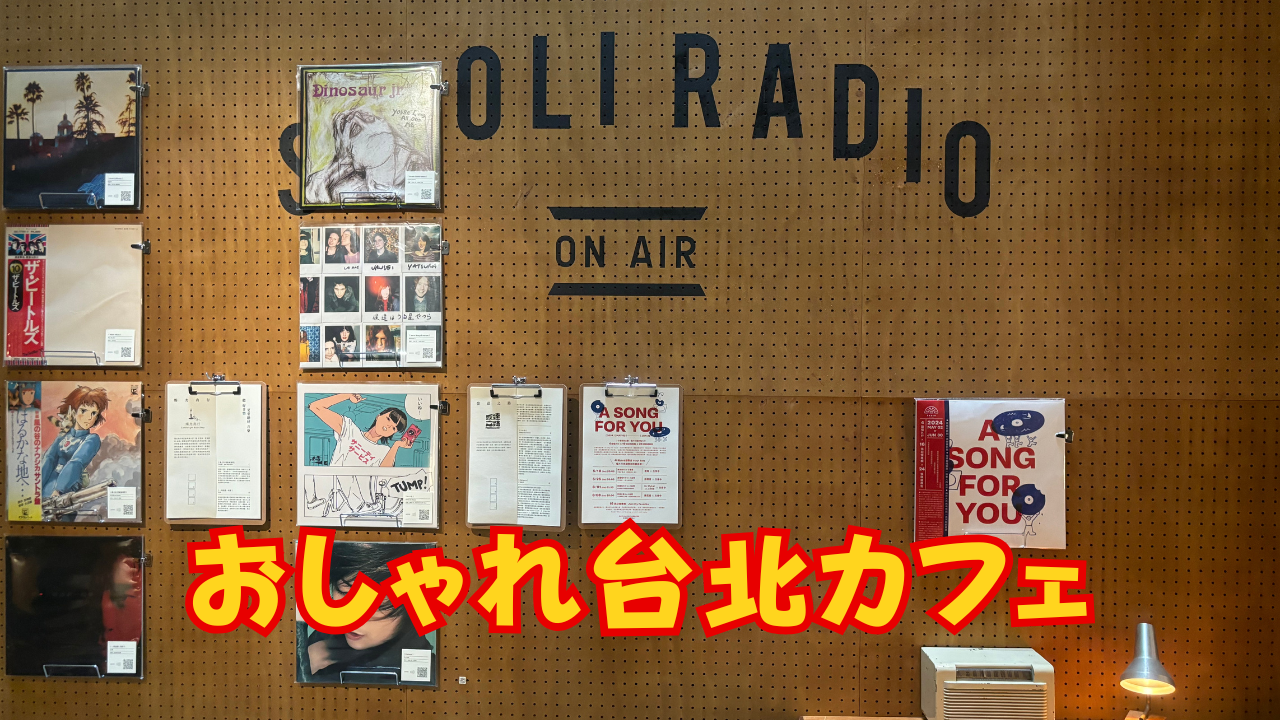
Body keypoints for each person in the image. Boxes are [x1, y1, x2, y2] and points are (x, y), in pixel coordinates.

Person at [296, 542, 437, 684]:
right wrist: (303, 663)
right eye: (344, 593)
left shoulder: (431, 676)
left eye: (375, 604)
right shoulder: (317, 644)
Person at [307, 393, 415, 467]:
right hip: (332, 489)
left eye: (394, 428)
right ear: (378, 416)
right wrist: (347, 395)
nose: (388, 426)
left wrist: (396, 445)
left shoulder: (385, 452)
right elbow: (315, 407)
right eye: (388, 419)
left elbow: (385, 476)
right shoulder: (350, 430)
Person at [40, 386, 109, 502]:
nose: (89, 418)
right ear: (73, 411)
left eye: (94, 413)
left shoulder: (92, 439)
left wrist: (59, 490)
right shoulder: (63, 436)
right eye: (83, 411)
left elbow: (76, 462)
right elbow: (49, 459)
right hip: (47, 484)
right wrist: (37, 486)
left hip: (67, 488)